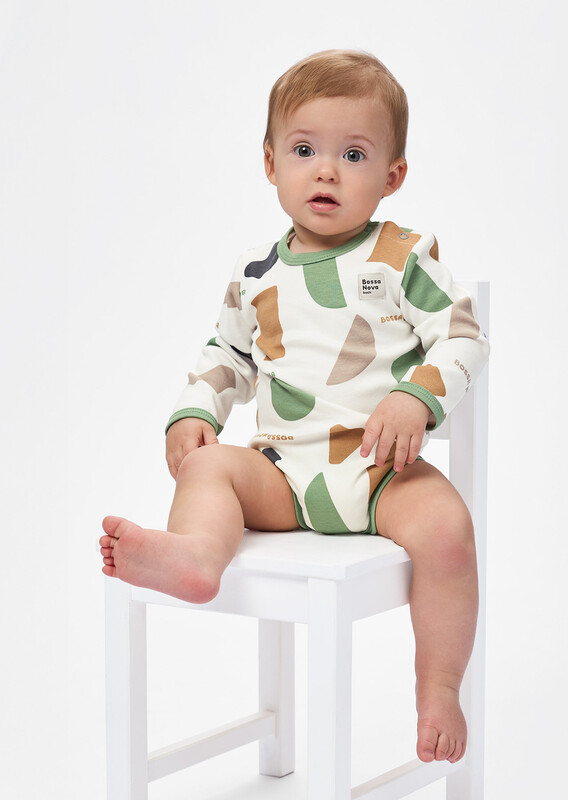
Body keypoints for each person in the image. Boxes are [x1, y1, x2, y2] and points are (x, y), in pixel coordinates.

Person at [99, 49, 490, 765]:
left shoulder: (403, 256)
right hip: (281, 474)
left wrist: (415, 397)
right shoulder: (257, 273)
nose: (326, 171)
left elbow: (463, 336)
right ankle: (196, 555)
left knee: (449, 532)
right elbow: (227, 355)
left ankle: (438, 685)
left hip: (381, 472)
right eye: (305, 150)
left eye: (353, 154)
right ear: (271, 163)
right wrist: (196, 413)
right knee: (210, 467)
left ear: (392, 176)